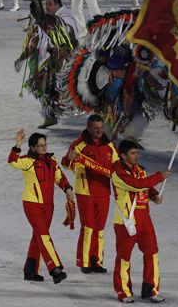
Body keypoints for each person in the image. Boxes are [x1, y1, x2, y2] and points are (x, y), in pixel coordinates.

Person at [8, 129, 74, 284]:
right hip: (32, 204)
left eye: (45, 144)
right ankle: (55, 268)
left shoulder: (52, 161)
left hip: (48, 206)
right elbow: (12, 161)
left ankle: (30, 270)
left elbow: (59, 178)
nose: (44, 148)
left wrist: (68, 188)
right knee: (44, 235)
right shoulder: (27, 161)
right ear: (32, 147)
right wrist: (17, 145)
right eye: (40, 146)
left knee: (38, 236)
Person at [111, 139, 171, 303]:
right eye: (132, 153)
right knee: (124, 257)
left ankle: (150, 289)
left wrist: (154, 196)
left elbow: (145, 187)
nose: (136, 156)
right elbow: (137, 185)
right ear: (123, 155)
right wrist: (160, 176)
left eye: (137, 152)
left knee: (152, 253)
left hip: (144, 219)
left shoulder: (139, 170)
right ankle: (123, 291)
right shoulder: (117, 173)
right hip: (126, 221)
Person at [61, 114, 119, 274]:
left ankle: (97, 261)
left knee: (99, 228)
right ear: (88, 128)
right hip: (85, 192)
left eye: (101, 128)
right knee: (88, 227)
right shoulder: (79, 144)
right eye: (96, 128)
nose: (99, 131)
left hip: (104, 192)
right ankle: (84, 262)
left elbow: (117, 168)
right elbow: (65, 163)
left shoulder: (110, 146)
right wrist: (70, 159)